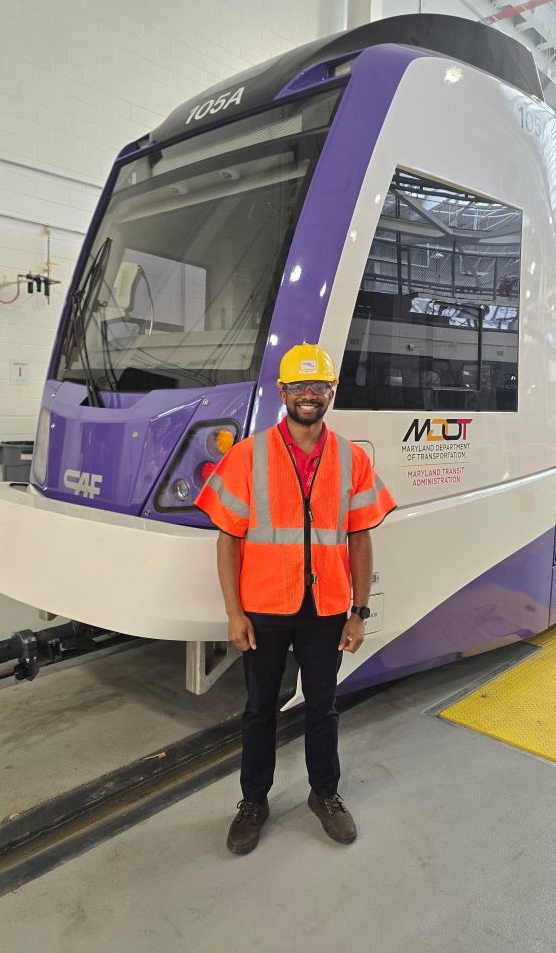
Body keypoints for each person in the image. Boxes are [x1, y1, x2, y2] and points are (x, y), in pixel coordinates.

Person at [195, 343, 396, 855]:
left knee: (323, 707)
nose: (310, 396)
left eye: (319, 387)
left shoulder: (351, 459)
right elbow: (228, 539)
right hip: (263, 608)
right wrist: (234, 612)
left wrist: (359, 610)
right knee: (259, 709)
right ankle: (253, 802)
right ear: (282, 392)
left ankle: (324, 795)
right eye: (300, 387)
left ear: (331, 392)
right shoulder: (248, 455)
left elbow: (360, 537)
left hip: (326, 609)